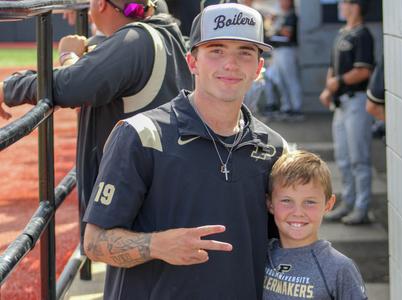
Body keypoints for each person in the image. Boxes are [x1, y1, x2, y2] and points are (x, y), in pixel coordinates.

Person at [82, 3, 287, 299]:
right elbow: (95, 243)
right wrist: (157, 245)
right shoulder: (141, 135)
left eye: (244, 52)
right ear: (192, 62)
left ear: (258, 68)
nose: (230, 64)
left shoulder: (271, 148)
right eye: (216, 50)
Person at [0, 0, 193, 232]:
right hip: (159, 194)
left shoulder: (134, 42)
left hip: (136, 206)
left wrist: (10, 86)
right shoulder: (164, 29)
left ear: (101, 4)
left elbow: (70, 87)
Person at [264, 150, 368, 299]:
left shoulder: (339, 268)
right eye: (287, 201)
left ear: (328, 204)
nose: (298, 212)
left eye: (310, 202)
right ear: (270, 203)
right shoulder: (261, 256)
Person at [319, 0, 374, 225]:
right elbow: (332, 67)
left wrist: (337, 82)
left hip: (356, 101)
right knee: (343, 158)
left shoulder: (363, 35)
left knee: (359, 159)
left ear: (355, 6)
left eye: (344, 2)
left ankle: (362, 208)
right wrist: (328, 88)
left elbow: (364, 71)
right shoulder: (343, 33)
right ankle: (348, 202)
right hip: (341, 103)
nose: (340, 6)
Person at [264, 0, 303, 120]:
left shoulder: (291, 15)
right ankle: (286, 107)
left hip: (288, 50)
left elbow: (286, 34)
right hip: (276, 51)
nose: (282, 3)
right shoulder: (279, 16)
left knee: (291, 79)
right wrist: (272, 23)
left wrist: (275, 27)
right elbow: (269, 30)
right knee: (279, 80)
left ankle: (296, 108)